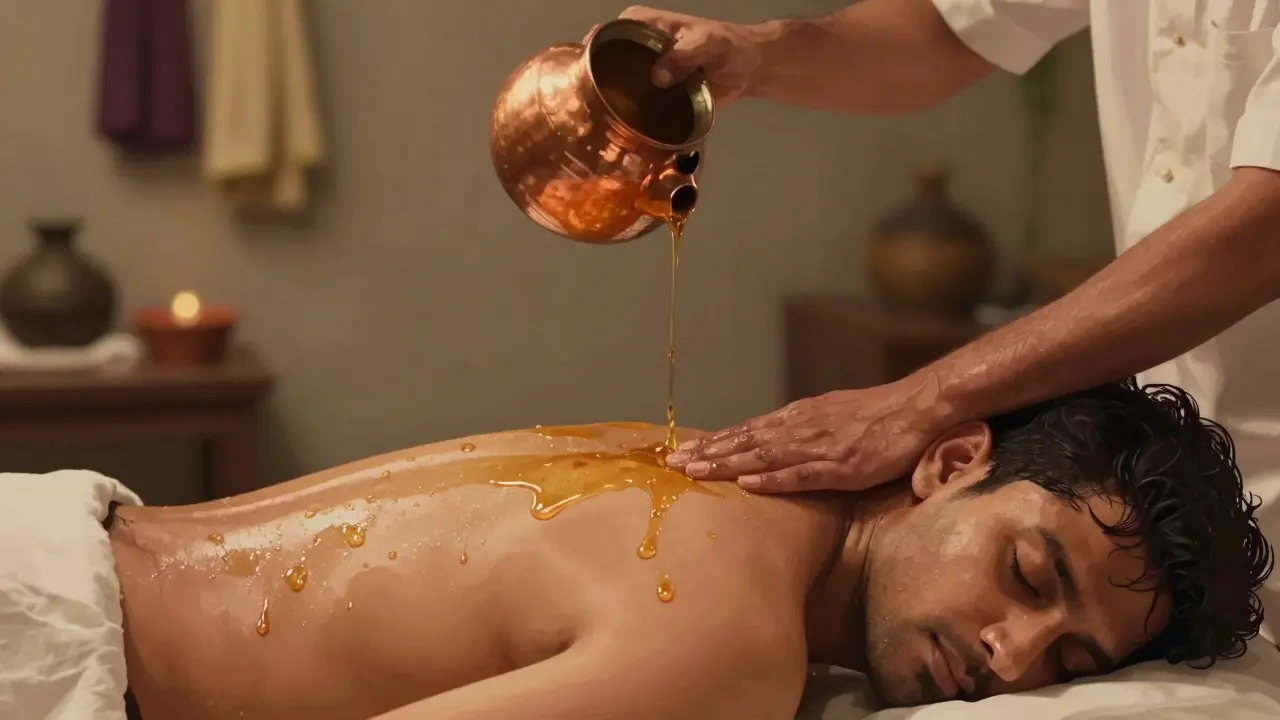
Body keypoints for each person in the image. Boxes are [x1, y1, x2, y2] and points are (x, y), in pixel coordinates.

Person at [80, 380, 1267, 717]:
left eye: (1066, 663)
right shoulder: (732, 641)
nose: (1011, 657)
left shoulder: (708, 464)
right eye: (1025, 575)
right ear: (950, 460)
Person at [623, 2, 1280, 505]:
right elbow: (949, 30)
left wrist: (920, 401)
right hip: (1175, 473)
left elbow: (1260, 231)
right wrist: (753, 53)